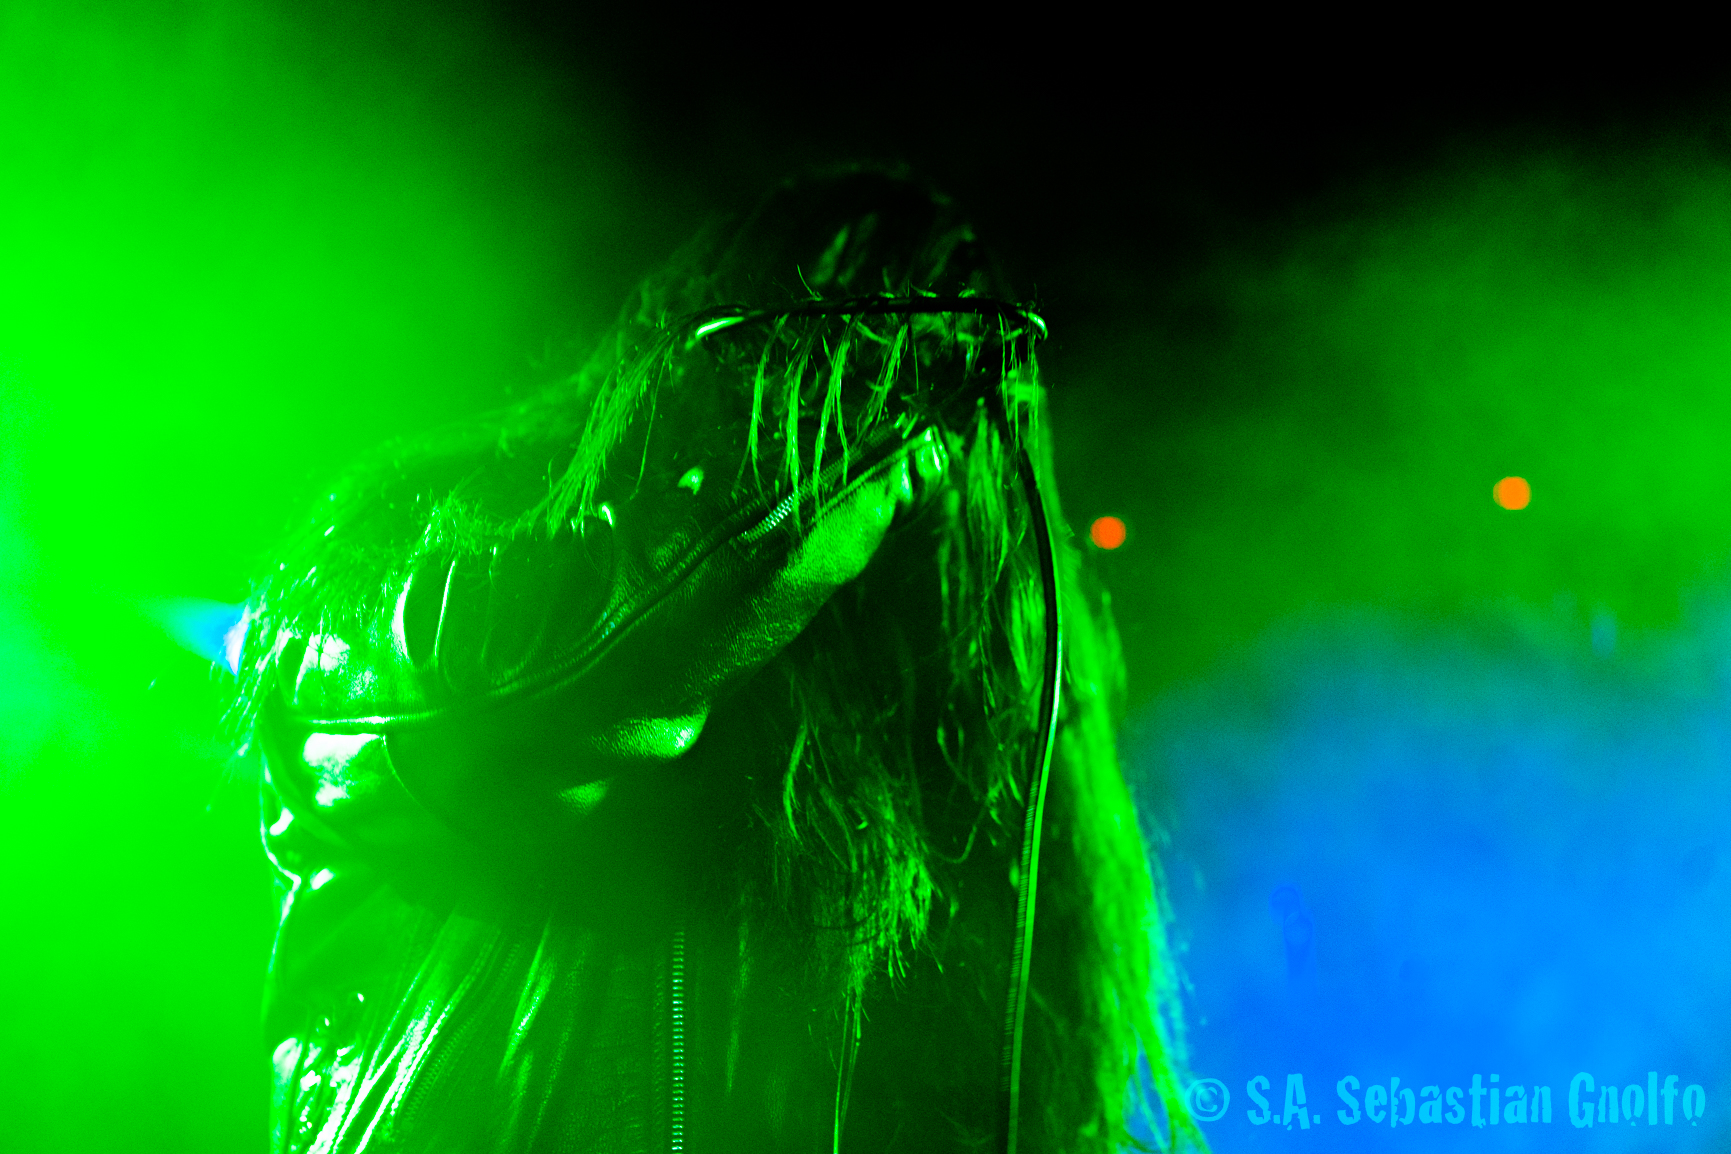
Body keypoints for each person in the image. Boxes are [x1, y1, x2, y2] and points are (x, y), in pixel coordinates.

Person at [232, 169, 1196, 1152]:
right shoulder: (399, 553)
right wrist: (875, 414)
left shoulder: (925, 740)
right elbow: (550, 686)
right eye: (862, 345)